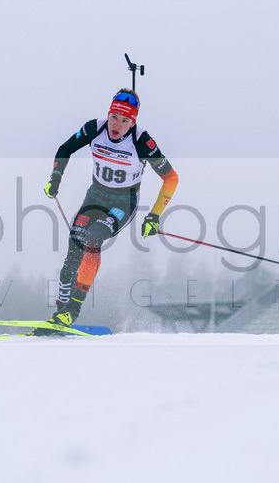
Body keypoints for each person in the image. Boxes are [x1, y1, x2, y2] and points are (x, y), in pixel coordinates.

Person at [40, 88, 178, 330]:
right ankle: (60, 314)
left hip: (123, 202)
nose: (117, 125)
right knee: (75, 244)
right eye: (114, 116)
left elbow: (171, 178)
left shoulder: (142, 142)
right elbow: (65, 149)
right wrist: (56, 178)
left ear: (133, 122)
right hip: (95, 196)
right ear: (109, 113)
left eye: (125, 120)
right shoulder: (95, 128)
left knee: (93, 238)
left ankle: (73, 310)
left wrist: (155, 215)